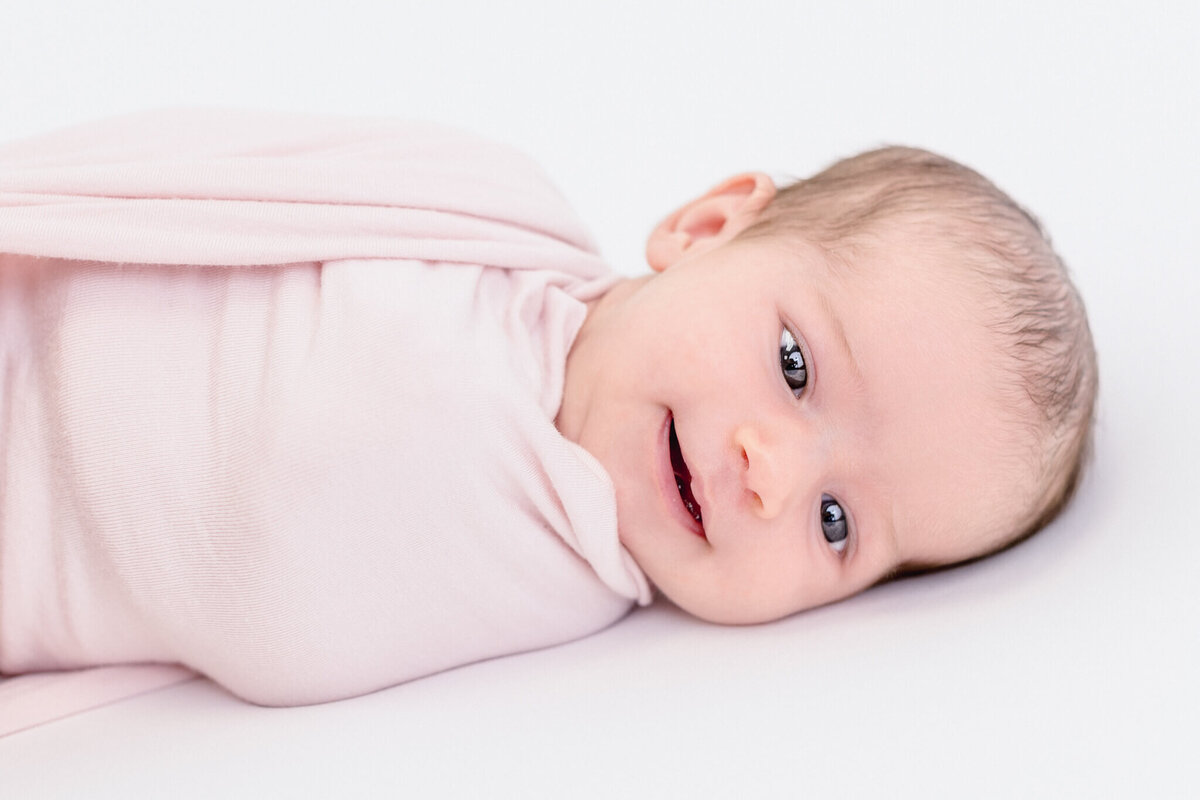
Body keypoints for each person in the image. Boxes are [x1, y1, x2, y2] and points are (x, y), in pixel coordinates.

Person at [0, 110, 1096, 710]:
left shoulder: (558, 637)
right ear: (708, 227)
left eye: (838, 522)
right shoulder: (482, 218)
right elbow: (179, 177)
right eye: (797, 365)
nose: (773, 471)